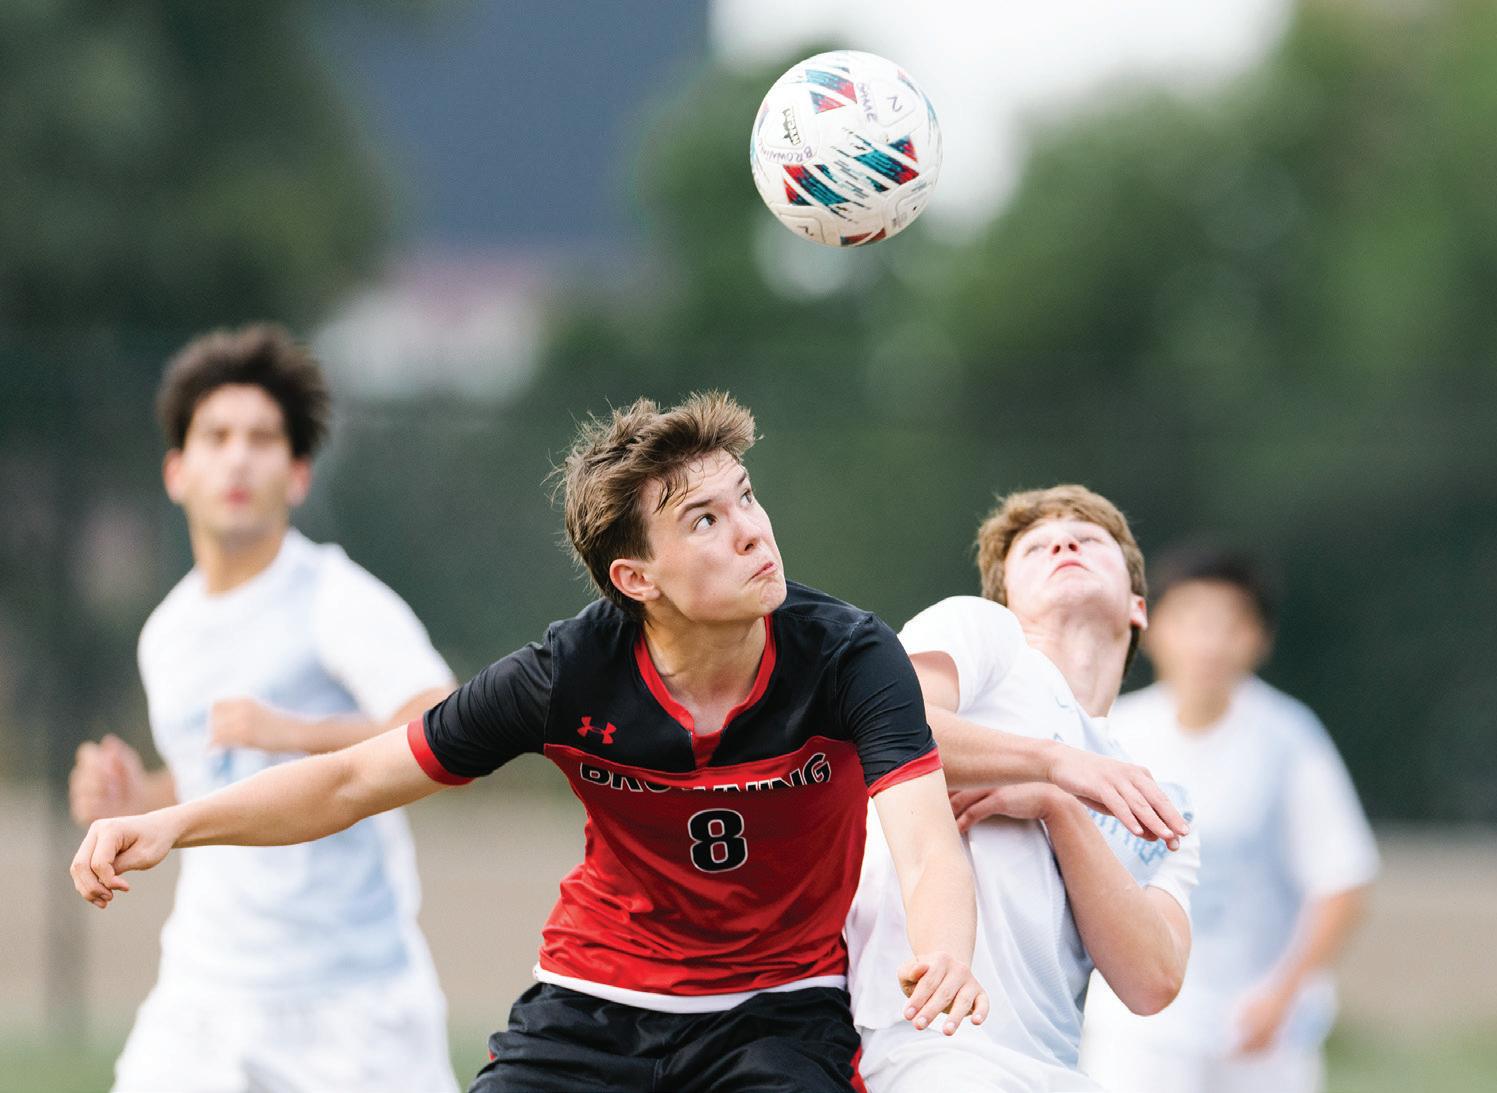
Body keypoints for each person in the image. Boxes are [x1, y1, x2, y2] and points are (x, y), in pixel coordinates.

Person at [73, 391, 1005, 1093]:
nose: (753, 532)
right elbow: (354, 779)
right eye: (706, 520)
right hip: (594, 1003)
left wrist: (946, 949)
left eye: (746, 497)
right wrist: (172, 823)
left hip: (779, 1014)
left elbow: (926, 846)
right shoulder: (568, 675)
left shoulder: (849, 656)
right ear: (637, 578)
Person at [66, 324, 460, 1092]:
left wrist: (297, 732)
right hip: (204, 990)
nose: (239, 457)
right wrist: (137, 797)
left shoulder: (336, 598)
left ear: (299, 474)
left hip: (352, 1000)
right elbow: (214, 778)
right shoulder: (167, 633)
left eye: (262, 438)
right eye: (216, 436)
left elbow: (451, 728)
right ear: (177, 471)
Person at [847, 484, 1199, 1093]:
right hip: (929, 1041)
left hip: (1054, 1067)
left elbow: (1154, 981)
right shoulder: (986, 635)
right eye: (1036, 548)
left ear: (1137, 606)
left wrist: (1059, 809)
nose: (1063, 544)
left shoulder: (1154, 797)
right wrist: (1051, 764)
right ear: (1006, 599)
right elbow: (884, 727)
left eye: (1089, 539)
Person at [1079, 545, 1379, 1093]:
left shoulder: (1289, 739)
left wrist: (1283, 994)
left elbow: (1343, 878)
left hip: (1260, 1031)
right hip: (1137, 1032)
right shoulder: (1115, 733)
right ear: (1152, 627)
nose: (1208, 643)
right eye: (1191, 620)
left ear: (1259, 639)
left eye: (1229, 625)